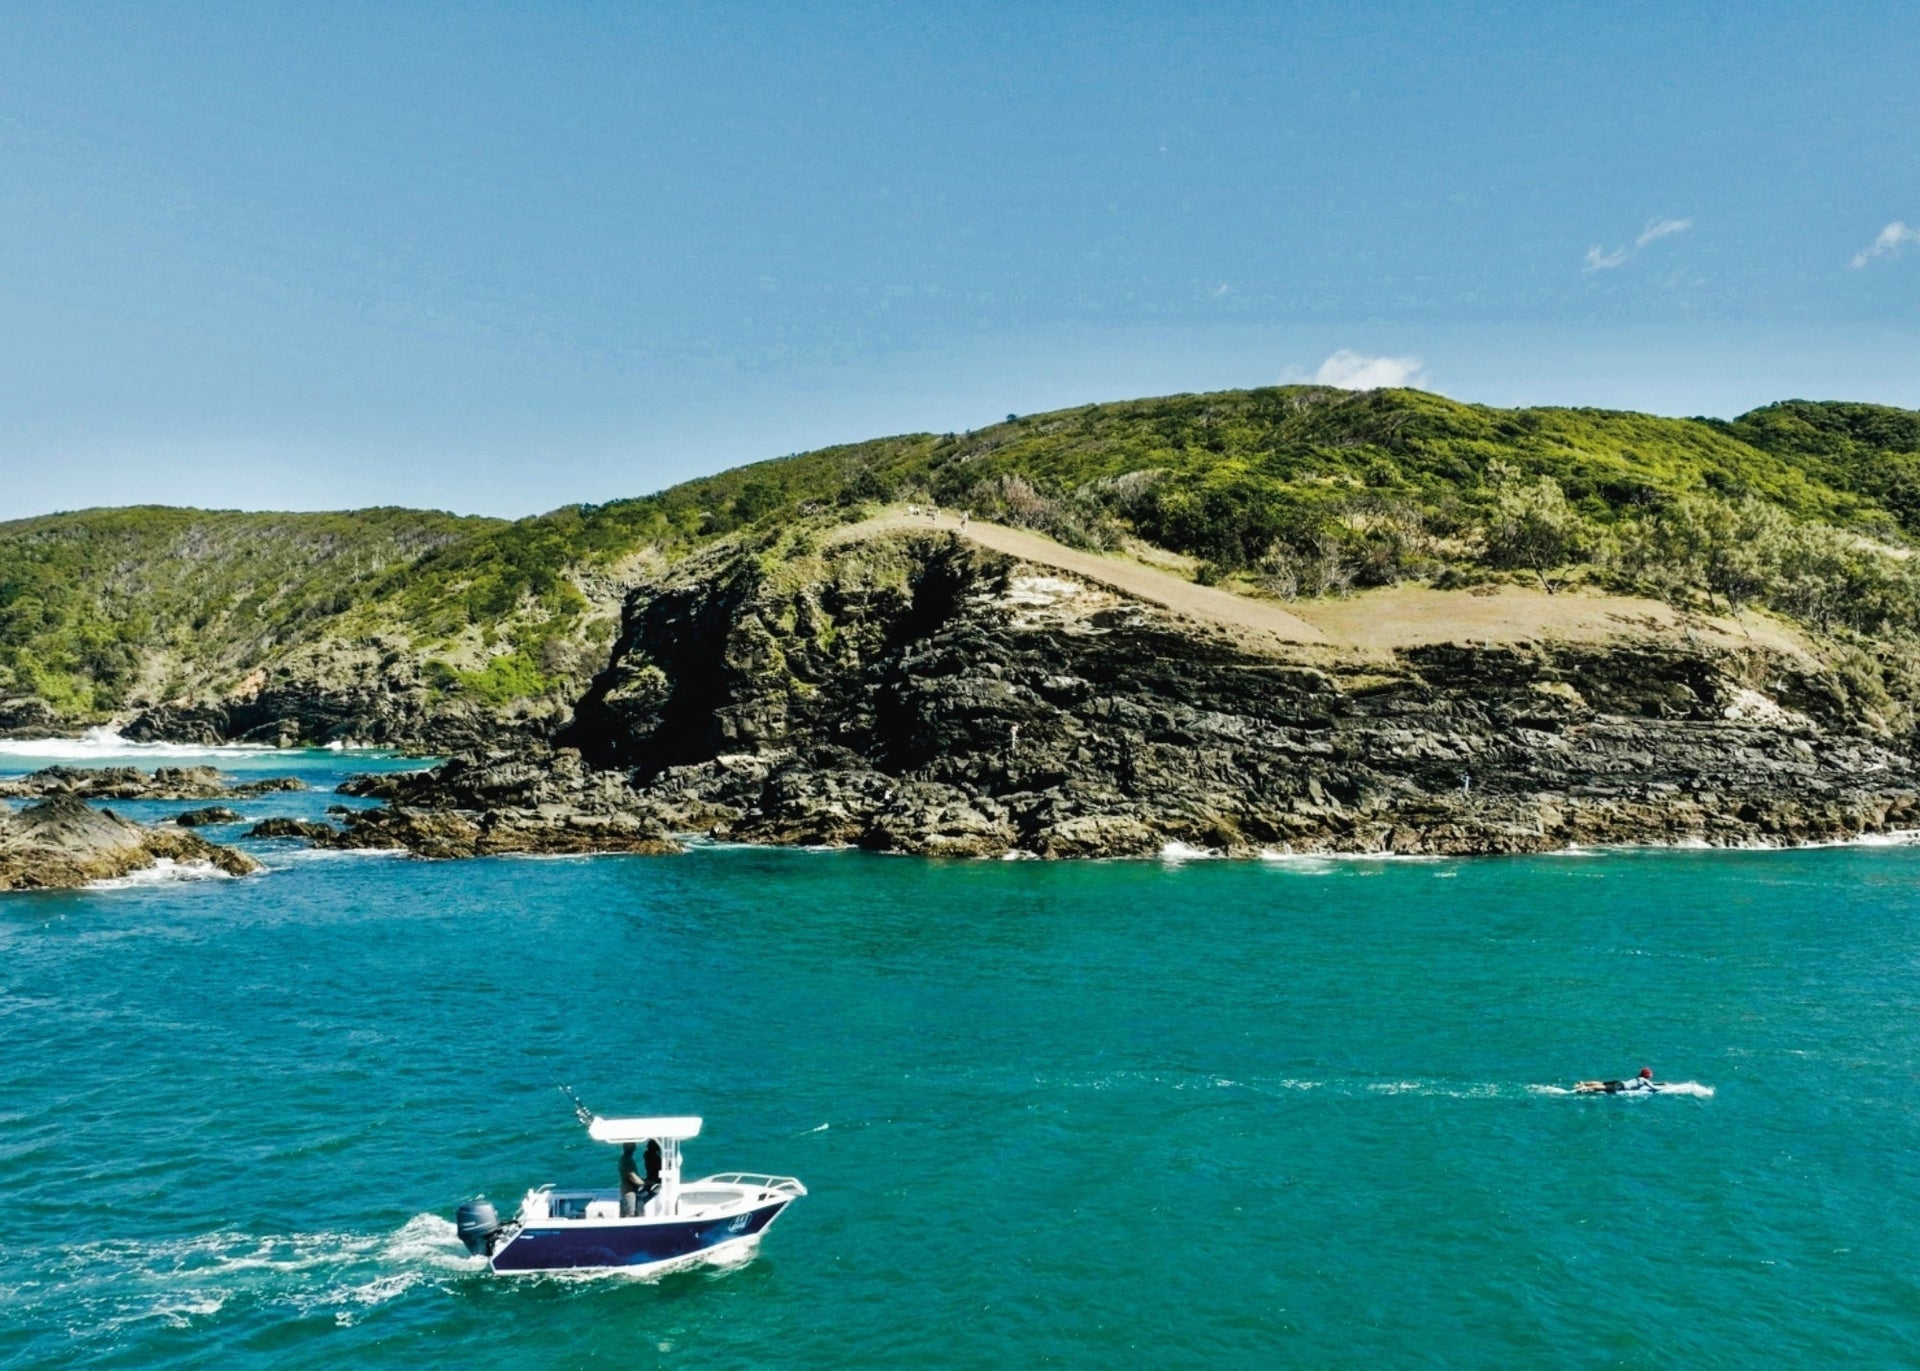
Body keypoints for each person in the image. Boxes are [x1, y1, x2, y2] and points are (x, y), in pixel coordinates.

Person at [1574, 1067, 1657, 1094]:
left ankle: (1583, 1083)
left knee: (1602, 1083)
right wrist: (1667, 1087)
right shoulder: (1645, 1080)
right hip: (1621, 1086)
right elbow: (1654, 1088)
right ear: (1647, 1076)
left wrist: (1661, 1083)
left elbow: (1650, 1084)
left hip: (1620, 1082)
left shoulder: (1639, 1078)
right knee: (1603, 1087)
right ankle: (1584, 1088)